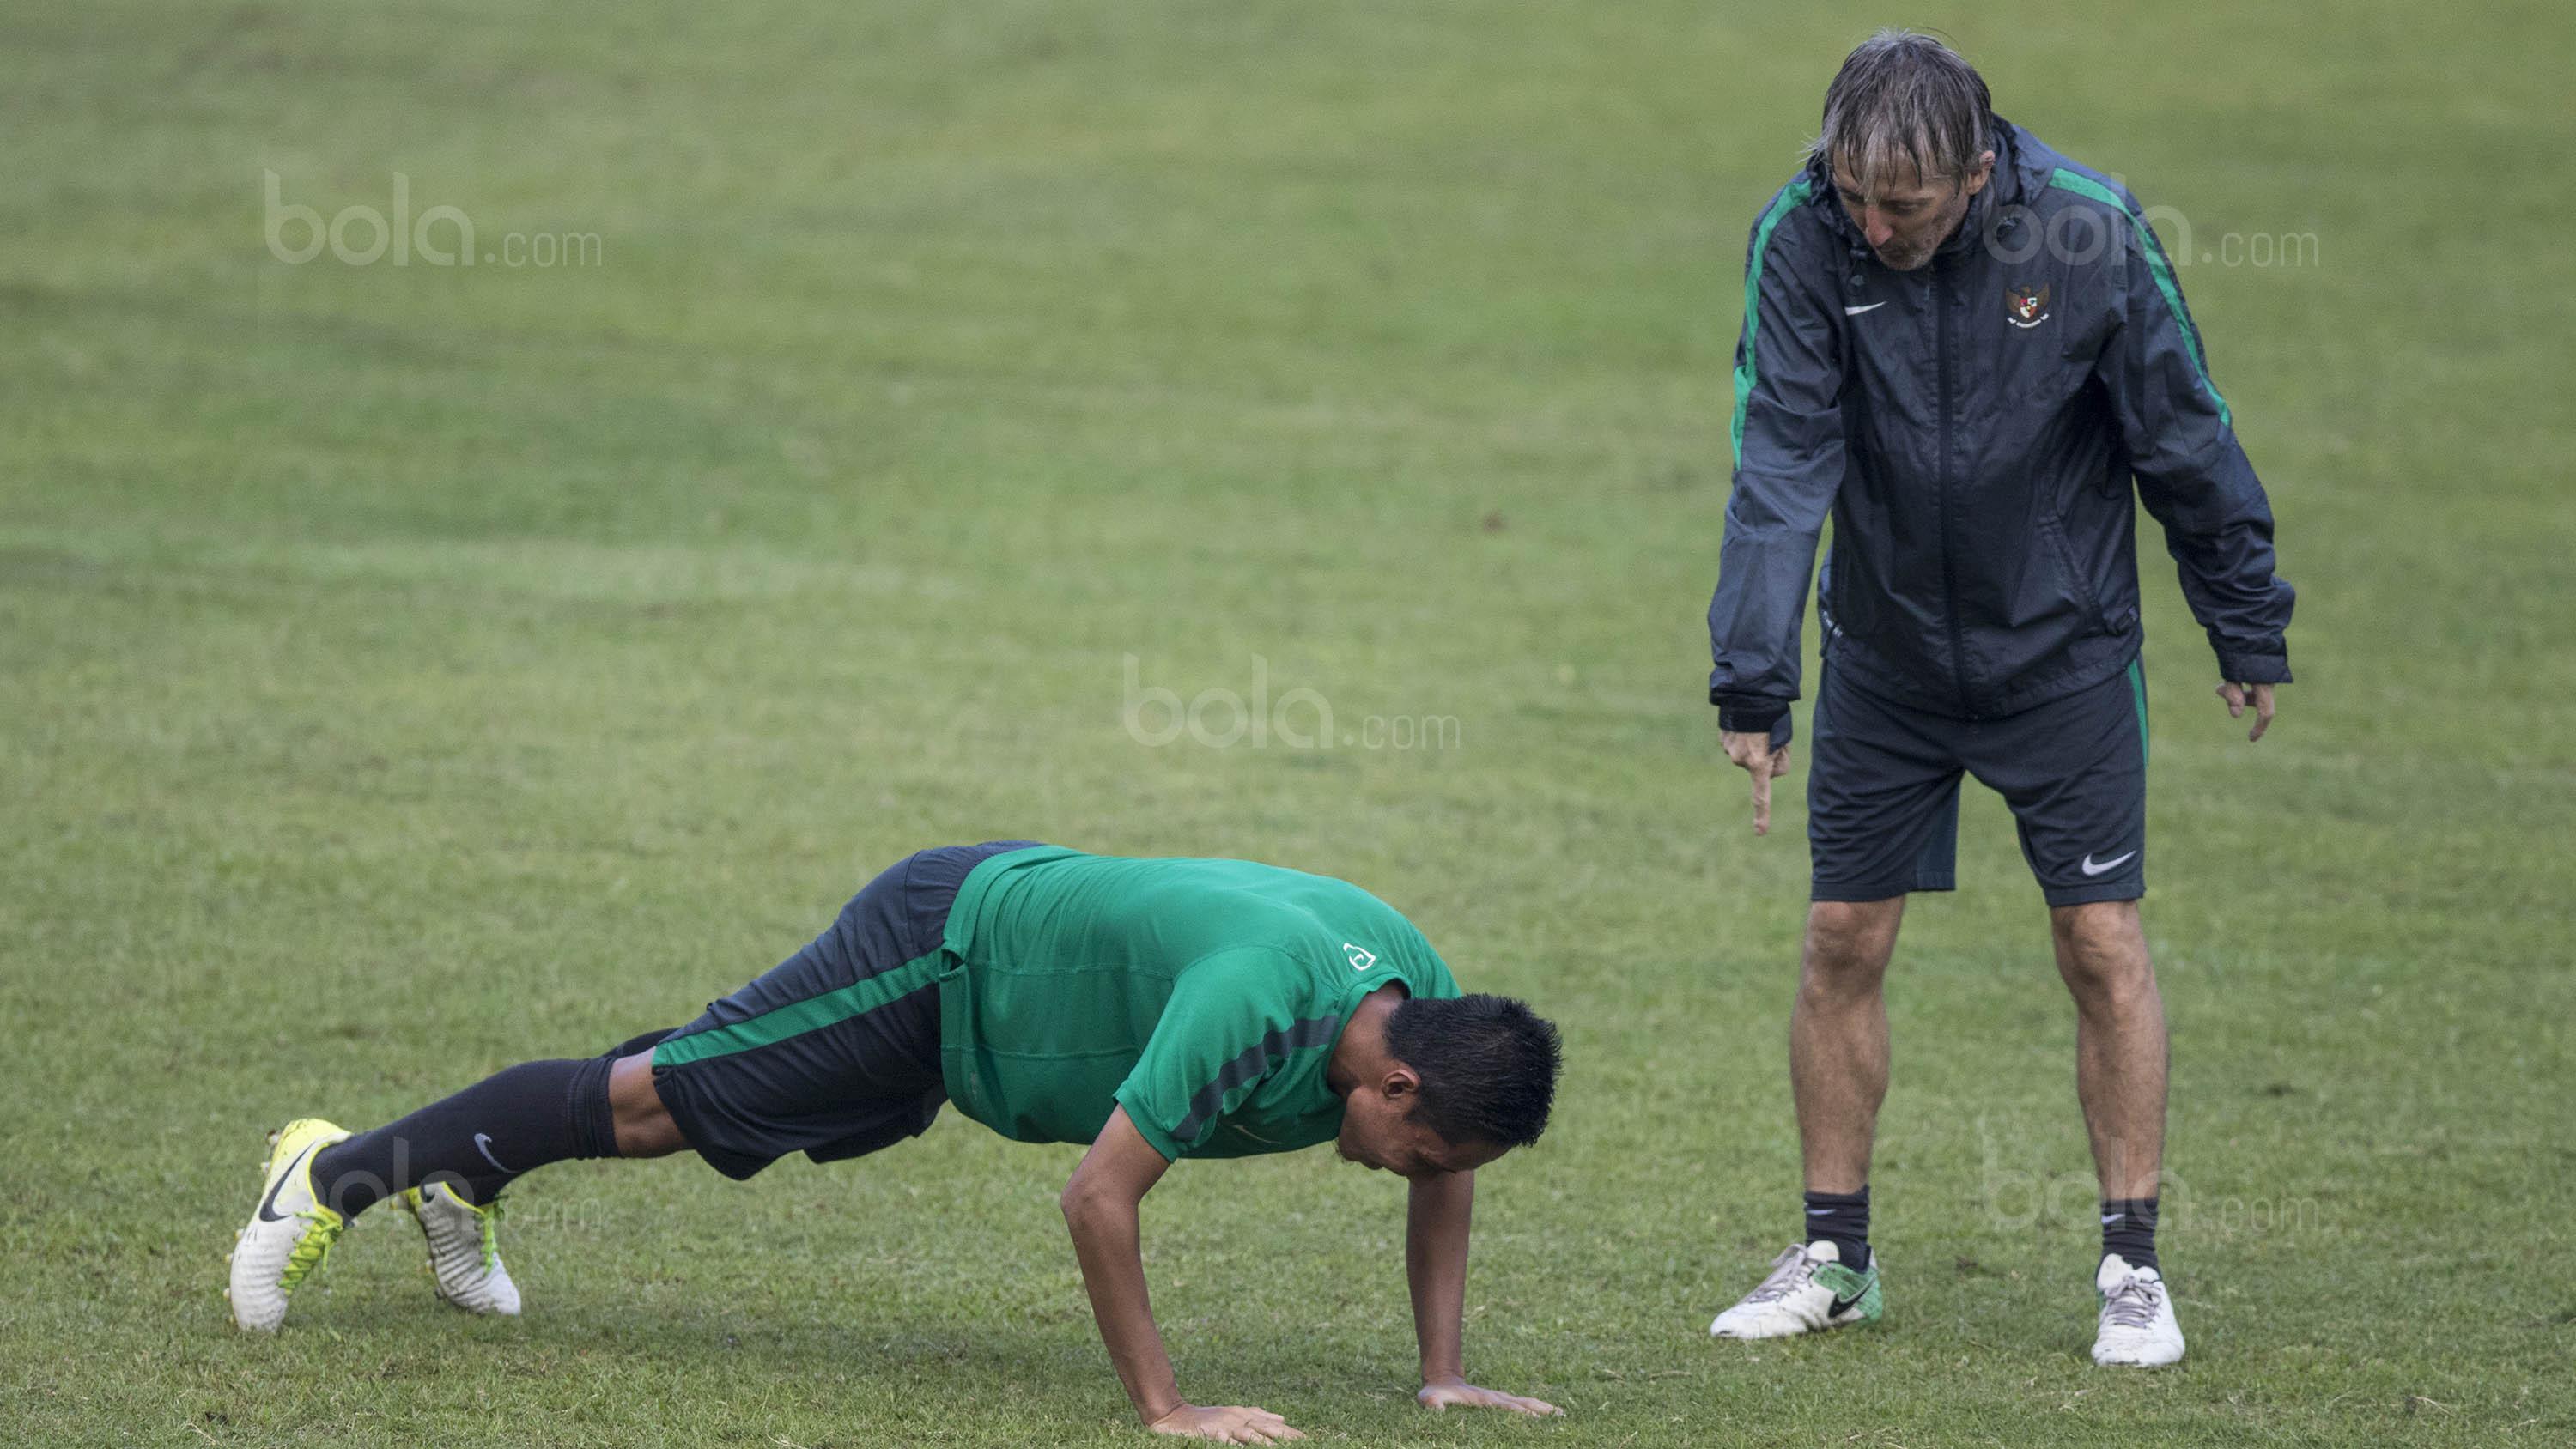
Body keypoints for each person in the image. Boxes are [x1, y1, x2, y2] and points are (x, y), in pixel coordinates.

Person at [228, 841, 1564, 1441]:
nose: (1422, 1182)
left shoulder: (1423, 1000)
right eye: (1425, 1153)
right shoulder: (1259, 1007)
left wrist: (1442, 1374)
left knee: (699, 1097)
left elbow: (1448, 1187)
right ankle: (331, 1171)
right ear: (1391, 1087)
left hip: (997, 1001)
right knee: (656, 1101)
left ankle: (465, 1171)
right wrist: (1169, 1408)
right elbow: (1098, 1201)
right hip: (948, 957)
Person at [1702, 31, 2294, 1367]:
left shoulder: (2086, 230)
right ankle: (1836, 1259)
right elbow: (1781, 452)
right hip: (1886, 663)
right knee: (1840, 938)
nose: (1873, 224)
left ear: (1979, 172)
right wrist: (1754, 676)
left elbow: (2182, 432)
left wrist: (2243, 614)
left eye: (1901, 206)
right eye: (1854, 196)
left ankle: (2132, 1270)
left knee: (2100, 942)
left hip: (2065, 659)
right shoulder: (1803, 237)